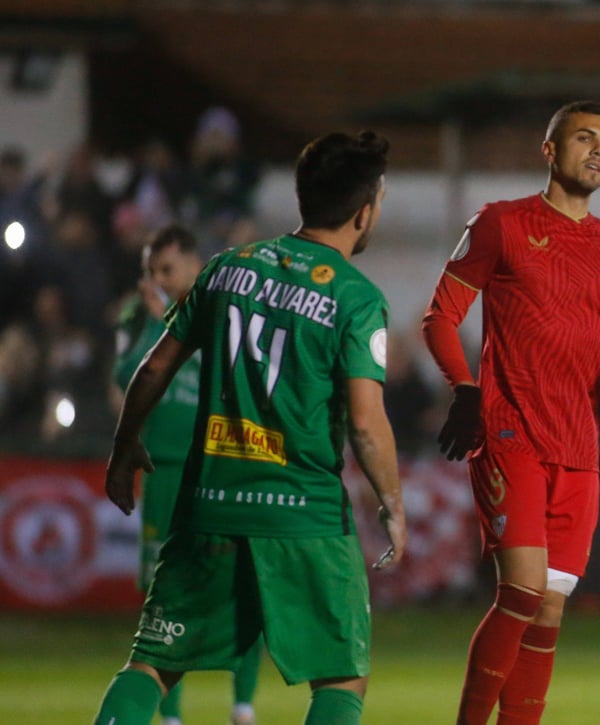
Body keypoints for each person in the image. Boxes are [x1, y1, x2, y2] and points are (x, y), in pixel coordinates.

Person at [93, 130, 407, 725]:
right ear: (364, 212)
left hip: (209, 505)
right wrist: (392, 504)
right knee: (342, 677)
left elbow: (155, 363)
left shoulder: (225, 270)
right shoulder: (356, 297)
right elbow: (366, 424)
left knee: (152, 663)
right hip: (304, 515)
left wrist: (124, 445)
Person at [422, 100, 600, 725]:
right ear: (550, 150)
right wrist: (463, 387)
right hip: (510, 432)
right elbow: (441, 317)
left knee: (552, 607)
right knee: (523, 591)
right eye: (584, 139)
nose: (598, 152)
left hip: (578, 447)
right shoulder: (500, 224)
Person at [111, 224, 264, 725]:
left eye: (167, 270)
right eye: (150, 270)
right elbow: (128, 374)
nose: (156, 279)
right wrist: (159, 324)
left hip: (222, 470)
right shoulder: (139, 315)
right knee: (164, 597)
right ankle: (171, 717)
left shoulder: (220, 305)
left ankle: (242, 706)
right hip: (163, 472)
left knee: (242, 585)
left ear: (193, 266)